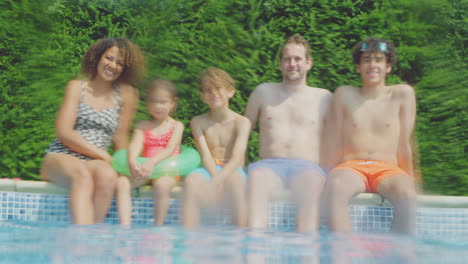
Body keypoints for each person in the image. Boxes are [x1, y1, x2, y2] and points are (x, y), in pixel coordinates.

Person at [40, 37, 144, 224]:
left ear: (125, 69)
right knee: (82, 175)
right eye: (109, 58)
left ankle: (91, 242)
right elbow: (64, 132)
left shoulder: (127, 95)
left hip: (95, 162)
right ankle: (82, 240)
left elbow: (120, 137)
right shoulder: (76, 87)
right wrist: (104, 156)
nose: (112, 65)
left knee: (108, 175)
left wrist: (126, 165)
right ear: (97, 57)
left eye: (119, 63)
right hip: (62, 155)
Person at [324, 37, 417, 234]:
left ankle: (400, 255)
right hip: (351, 168)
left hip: (388, 170)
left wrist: (409, 178)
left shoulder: (402, 94)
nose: (372, 65)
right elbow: (333, 142)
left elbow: (404, 144)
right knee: (336, 186)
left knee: (408, 194)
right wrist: (326, 173)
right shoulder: (344, 94)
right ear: (358, 67)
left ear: (388, 66)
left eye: (378, 59)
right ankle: (342, 253)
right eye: (366, 60)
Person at [244, 34, 332, 232]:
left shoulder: (324, 97)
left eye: (298, 59)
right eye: (287, 59)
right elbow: (243, 132)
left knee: (311, 190)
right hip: (268, 167)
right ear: (280, 63)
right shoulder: (263, 92)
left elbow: (336, 139)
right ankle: (254, 251)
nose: (292, 63)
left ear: (309, 63)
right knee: (256, 179)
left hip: (308, 168)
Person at [183, 67, 250, 228]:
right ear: (202, 96)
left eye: (218, 88)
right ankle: (189, 237)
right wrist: (215, 178)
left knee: (237, 183)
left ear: (230, 91)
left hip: (233, 170)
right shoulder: (198, 121)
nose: (213, 93)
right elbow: (205, 155)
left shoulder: (241, 122)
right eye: (207, 90)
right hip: (209, 169)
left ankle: (240, 237)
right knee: (191, 181)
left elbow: (236, 159)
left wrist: (217, 181)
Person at [116, 79, 184, 225]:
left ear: (173, 103)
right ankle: (124, 227)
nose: (158, 106)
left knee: (162, 186)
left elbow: (170, 149)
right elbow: (135, 144)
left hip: (167, 171)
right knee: (122, 182)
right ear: (147, 104)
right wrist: (132, 160)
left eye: (163, 102)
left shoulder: (176, 126)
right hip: (145, 171)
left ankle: (158, 225)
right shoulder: (143, 126)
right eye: (153, 101)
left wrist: (152, 162)